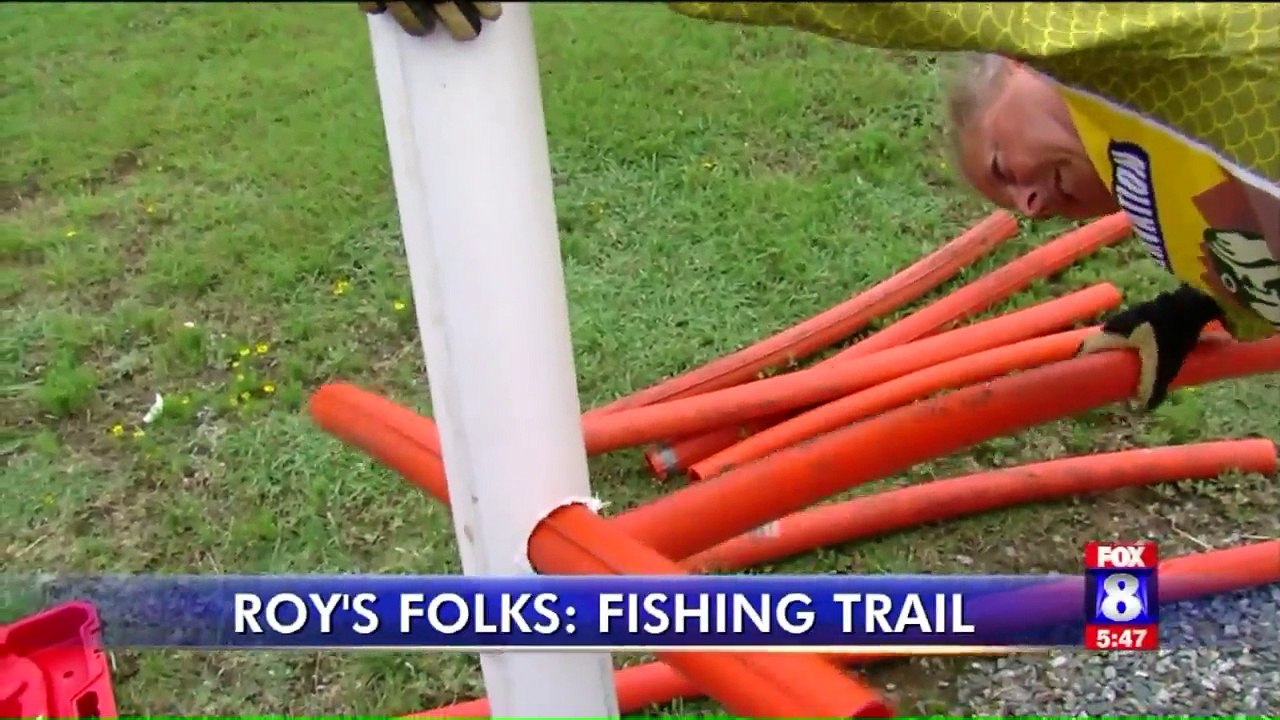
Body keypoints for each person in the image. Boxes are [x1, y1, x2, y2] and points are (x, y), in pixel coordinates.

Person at [361, 1, 1279, 410]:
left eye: (1004, 166)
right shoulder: (1144, 168)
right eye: (1020, 203)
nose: (1032, 202)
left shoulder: (1140, 49)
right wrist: (1199, 308)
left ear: (1018, 66)